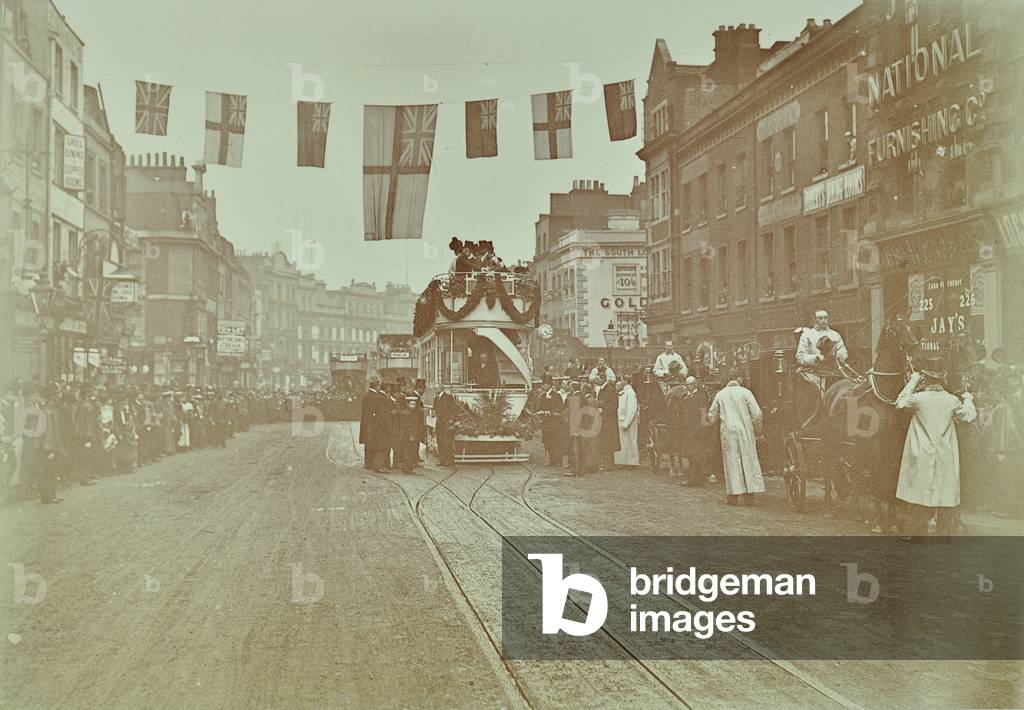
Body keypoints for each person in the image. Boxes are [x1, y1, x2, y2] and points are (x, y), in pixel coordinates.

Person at [894, 359, 977, 537]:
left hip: (921, 451)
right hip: (945, 451)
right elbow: (969, 416)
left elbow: (899, 403)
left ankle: (917, 532)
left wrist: (912, 382)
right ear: (943, 379)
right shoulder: (952, 400)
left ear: (926, 380)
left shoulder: (918, 399)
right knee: (944, 490)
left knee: (919, 491)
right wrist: (968, 399)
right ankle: (943, 533)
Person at [706, 369, 765, 505]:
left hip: (728, 431)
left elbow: (711, 416)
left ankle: (733, 496)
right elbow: (757, 414)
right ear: (739, 379)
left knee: (731, 461)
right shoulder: (746, 393)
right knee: (748, 460)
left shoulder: (720, 394)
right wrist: (758, 431)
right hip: (745, 430)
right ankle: (749, 496)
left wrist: (710, 423)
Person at [537, 377, 567, 465]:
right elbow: (540, 407)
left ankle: (558, 459)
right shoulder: (542, 396)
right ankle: (551, 459)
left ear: (549, 385)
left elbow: (560, 408)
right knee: (547, 440)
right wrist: (541, 412)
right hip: (546, 422)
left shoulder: (556, 395)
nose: (543, 386)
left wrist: (549, 412)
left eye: (544, 384)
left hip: (555, 422)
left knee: (556, 440)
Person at [595, 373, 620, 470]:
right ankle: (606, 464)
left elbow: (614, 405)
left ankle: (608, 464)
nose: (597, 381)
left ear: (603, 379)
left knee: (608, 442)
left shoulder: (609, 390)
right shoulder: (603, 389)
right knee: (605, 442)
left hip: (609, 420)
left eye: (598, 379)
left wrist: (604, 410)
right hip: (604, 419)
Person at [394, 396, 425, 473]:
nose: (413, 405)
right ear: (407, 404)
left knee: (411, 451)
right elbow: (406, 426)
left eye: (414, 404)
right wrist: (410, 436)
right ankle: (407, 468)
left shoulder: (412, 412)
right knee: (408, 452)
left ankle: (409, 467)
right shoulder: (406, 413)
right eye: (411, 404)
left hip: (412, 435)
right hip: (408, 436)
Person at [614, 378, 639, 467]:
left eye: (622, 380)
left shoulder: (631, 393)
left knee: (630, 441)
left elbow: (632, 409)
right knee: (624, 442)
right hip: (622, 419)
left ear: (626, 381)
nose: (621, 382)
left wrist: (626, 423)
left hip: (628, 421)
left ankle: (631, 462)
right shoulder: (624, 392)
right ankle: (624, 462)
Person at [433, 385, 460, 467]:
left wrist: (451, 420)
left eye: (436, 388)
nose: (434, 389)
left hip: (447, 423)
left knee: (447, 442)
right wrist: (435, 414)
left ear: (441, 389)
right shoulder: (436, 399)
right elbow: (435, 409)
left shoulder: (448, 398)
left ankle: (449, 461)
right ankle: (442, 460)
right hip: (439, 423)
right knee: (440, 441)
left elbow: (455, 410)